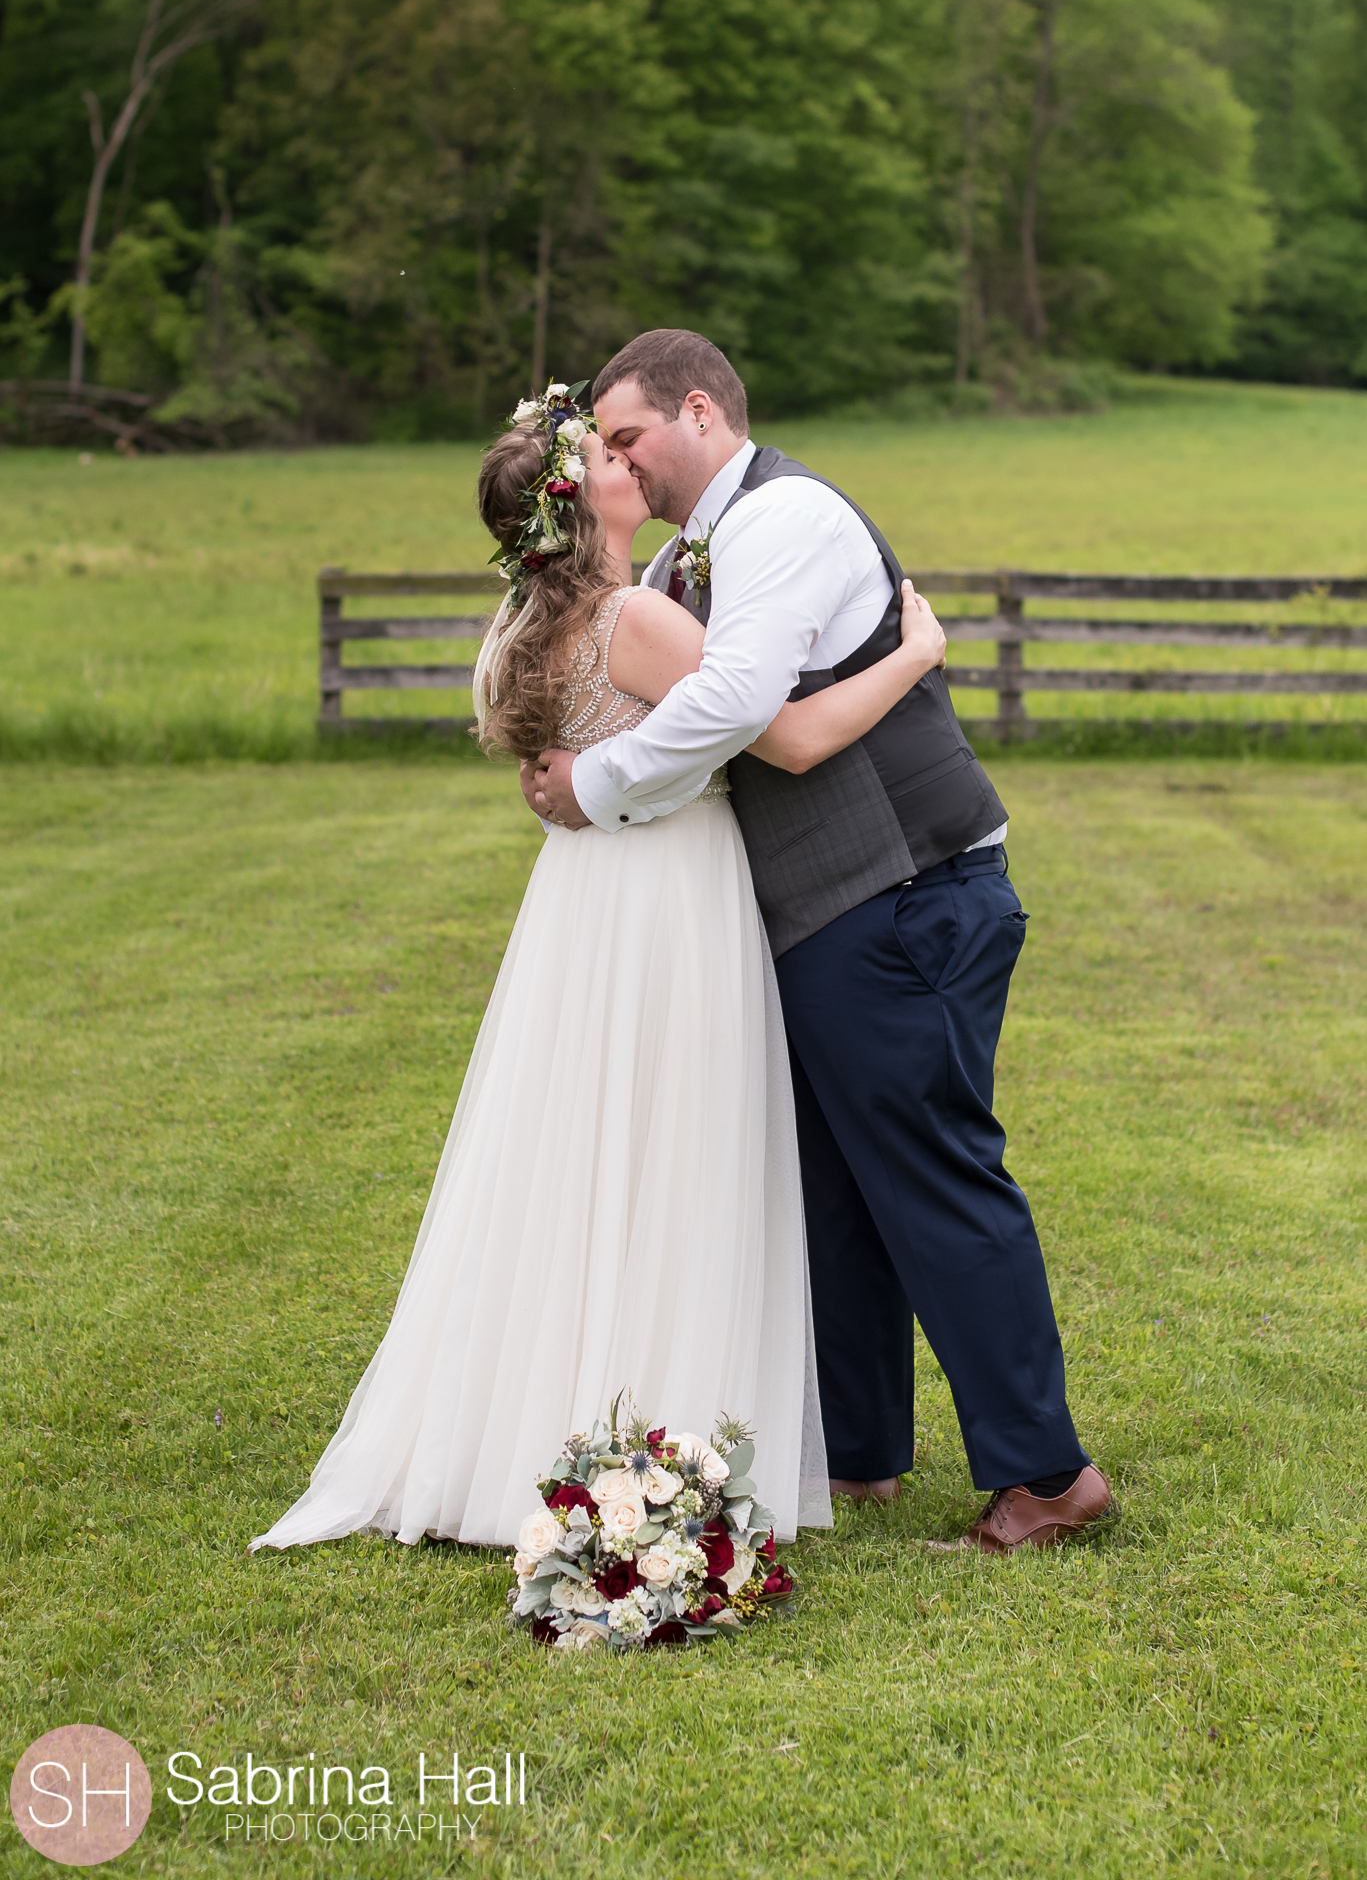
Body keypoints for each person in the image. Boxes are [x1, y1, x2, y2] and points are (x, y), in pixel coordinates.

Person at [250, 381, 948, 1554]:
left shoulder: (525, 623)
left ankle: (556, 1397)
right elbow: (778, 729)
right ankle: (664, 1405)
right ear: (590, 499)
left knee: (577, 1150)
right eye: (611, 452)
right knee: (678, 1145)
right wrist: (915, 648)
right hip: (671, 896)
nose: (635, 458)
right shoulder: (636, 616)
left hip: (580, 906)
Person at [529, 331, 1112, 1554]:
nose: (617, 462)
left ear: (700, 409)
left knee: (933, 1178)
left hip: (904, 891)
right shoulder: (708, 545)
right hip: (835, 907)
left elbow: (750, 710)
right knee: (837, 1191)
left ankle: (1046, 1475)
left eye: (629, 437)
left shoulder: (780, 519)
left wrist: (599, 782)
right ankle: (857, 1455)